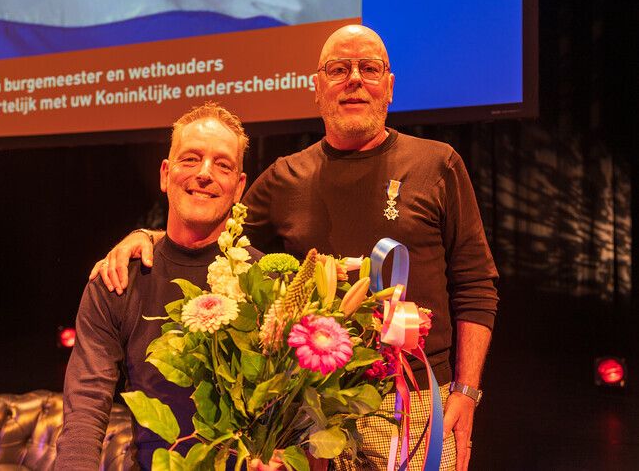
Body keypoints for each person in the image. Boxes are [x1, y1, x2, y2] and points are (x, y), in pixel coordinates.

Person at [90, 25, 498, 471]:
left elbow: (476, 287)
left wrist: (466, 392)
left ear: (390, 86)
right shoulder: (286, 177)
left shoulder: (438, 163)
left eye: (370, 68)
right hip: (306, 414)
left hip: (416, 406)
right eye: (338, 69)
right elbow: (211, 234)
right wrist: (147, 236)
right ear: (318, 88)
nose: (355, 79)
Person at [55, 102, 258, 469]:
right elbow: (85, 406)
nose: (205, 174)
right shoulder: (117, 280)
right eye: (191, 159)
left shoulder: (267, 283)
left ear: (239, 186)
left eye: (223, 165)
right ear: (166, 174)